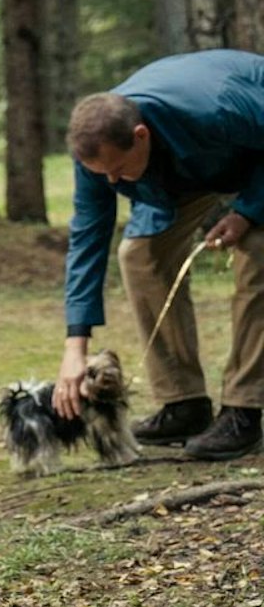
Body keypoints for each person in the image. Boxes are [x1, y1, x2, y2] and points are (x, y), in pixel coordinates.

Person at [55, 50, 264, 463]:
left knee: (257, 253)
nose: (111, 182)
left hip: (252, 159)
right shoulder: (97, 154)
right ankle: (184, 403)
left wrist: (248, 211)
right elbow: (87, 240)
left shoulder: (219, 108)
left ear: (140, 135)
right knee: (140, 256)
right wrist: (74, 345)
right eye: (103, 175)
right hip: (178, 177)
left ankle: (244, 408)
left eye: (117, 170)